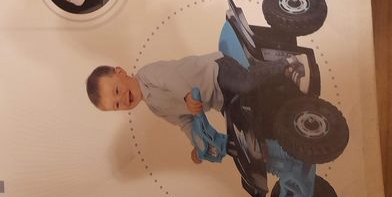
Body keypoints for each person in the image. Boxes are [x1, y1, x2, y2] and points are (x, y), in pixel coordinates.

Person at [86, 52, 309, 163]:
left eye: (117, 90)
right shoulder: (155, 107)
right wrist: (197, 143)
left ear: (121, 72)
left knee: (245, 83)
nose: (123, 99)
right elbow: (184, 121)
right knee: (246, 126)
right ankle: (282, 135)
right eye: (117, 105)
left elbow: (172, 78)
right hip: (220, 98)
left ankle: (289, 63)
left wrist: (186, 96)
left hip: (216, 71)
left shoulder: (147, 75)